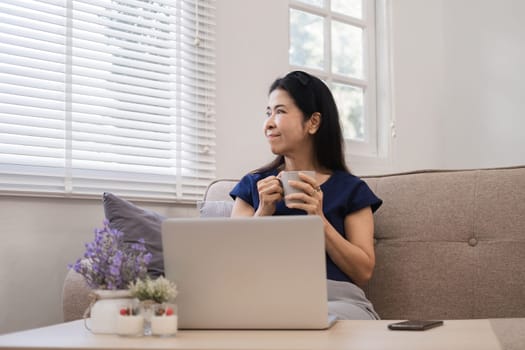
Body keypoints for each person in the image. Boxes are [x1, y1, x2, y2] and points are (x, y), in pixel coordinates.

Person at [229, 70, 383, 320]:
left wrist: (319, 220)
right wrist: (263, 213)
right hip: (266, 299)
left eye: (280, 112)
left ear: (313, 122)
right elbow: (232, 264)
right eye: (268, 113)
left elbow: (363, 272)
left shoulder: (351, 190)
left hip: (337, 301)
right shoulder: (252, 186)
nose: (268, 123)